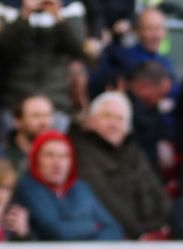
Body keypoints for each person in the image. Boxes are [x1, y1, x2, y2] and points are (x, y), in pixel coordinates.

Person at [71, 91, 169, 237]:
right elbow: (104, 200)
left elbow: (158, 196)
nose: (114, 123)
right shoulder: (82, 153)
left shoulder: (134, 154)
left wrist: (159, 225)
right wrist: (138, 233)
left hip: (146, 235)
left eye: (120, 118)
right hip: (112, 238)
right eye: (107, 116)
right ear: (90, 121)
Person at [16, 130, 124, 241]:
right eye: (49, 155)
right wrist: (94, 226)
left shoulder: (81, 188)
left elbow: (114, 229)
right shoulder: (29, 188)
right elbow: (57, 231)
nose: (57, 163)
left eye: (64, 156)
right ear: (36, 160)